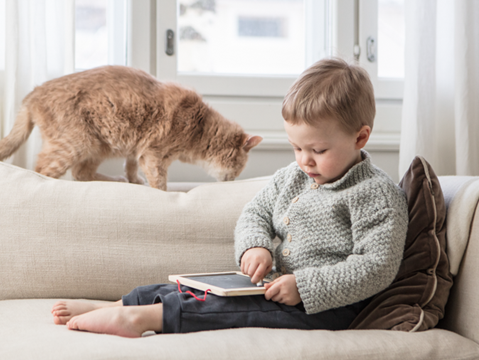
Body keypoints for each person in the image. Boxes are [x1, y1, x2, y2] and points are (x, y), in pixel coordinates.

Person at [51, 58, 409, 337]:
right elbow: (255, 213)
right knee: (192, 287)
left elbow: (377, 266)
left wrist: (305, 286)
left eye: (317, 149)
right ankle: (122, 303)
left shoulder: (375, 193)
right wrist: (256, 247)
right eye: (296, 147)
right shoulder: (292, 177)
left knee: (226, 311)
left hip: (325, 306)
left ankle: (137, 318)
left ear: (360, 138)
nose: (304, 160)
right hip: (272, 287)